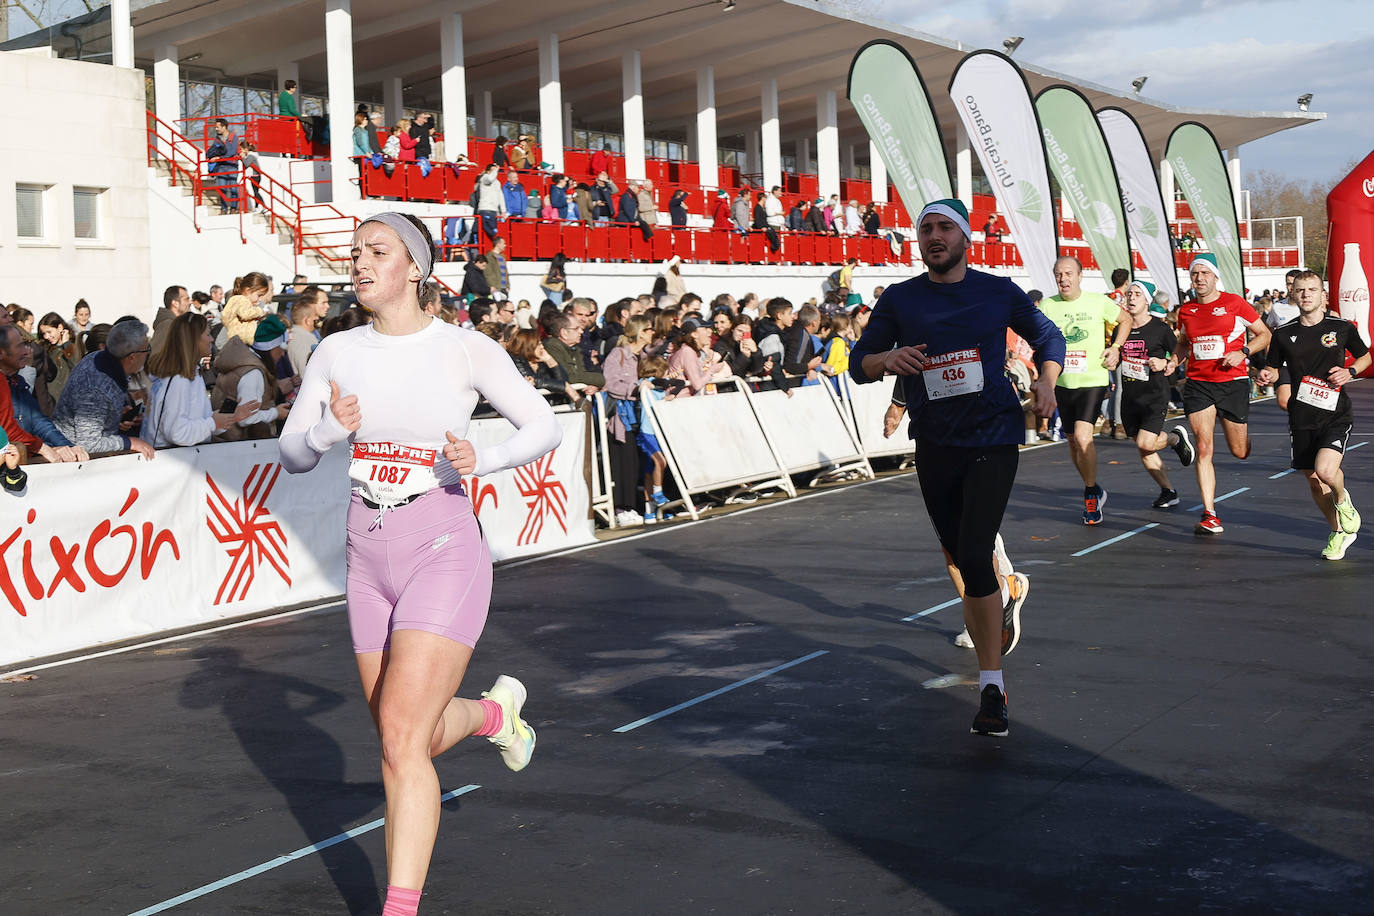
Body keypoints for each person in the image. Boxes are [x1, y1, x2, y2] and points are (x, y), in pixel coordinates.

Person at [278, 211, 559, 916]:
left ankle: (398, 910)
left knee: (403, 738)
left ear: (416, 267)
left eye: (377, 251)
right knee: (406, 737)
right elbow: (292, 453)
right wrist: (326, 429)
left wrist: (482, 458)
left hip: (441, 544)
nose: (360, 263)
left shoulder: (465, 349)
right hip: (365, 551)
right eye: (355, 252)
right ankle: (495, 715)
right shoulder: (336, 351)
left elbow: (544, 424)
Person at [849, 199, 1064, 738]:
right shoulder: (901, 299)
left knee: (973, 550)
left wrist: (1046, 381)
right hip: (936, 443)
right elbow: (859, 362)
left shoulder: (997, 291)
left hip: (993, 434)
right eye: (926, 229)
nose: (935, 236)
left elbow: (1048, 337)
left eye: (945, 227)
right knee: (962, 561)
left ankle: (991, 685)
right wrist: (885, 361)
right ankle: (1003, 598)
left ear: (967, 237)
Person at [1257, 269, 1369, 558]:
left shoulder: (1340, 328)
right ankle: (1337, 531)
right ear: (1293, 294)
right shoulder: (1283, 334)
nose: (1306, 295)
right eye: (1301, 290)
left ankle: (1343, 501)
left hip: (1335, 414)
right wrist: (1265, 375)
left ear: (1323, 295)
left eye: (1312, 290)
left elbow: (1366, 354)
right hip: (1302, 416)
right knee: (1314, 481)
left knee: (1326, 471)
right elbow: (1272, 366)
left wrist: (1350, 371)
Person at [1173, 253, 1271, 535]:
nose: (1200, 278)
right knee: (1204, 448)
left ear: (1215, 276)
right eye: (1195, 274)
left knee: (1239, 451)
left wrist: (1243, 352)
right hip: (1198, 383)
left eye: (1205, 273)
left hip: (1232, 384)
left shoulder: (1234, 303)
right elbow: (1183, 344)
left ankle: (1243, 434)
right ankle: (1210, 513)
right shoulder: (1187, 310)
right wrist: (1172, 361)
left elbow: (1264, 334)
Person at [1039, 256, 1131, 524]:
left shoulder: (1098, 301)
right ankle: (1094, 486)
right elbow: (1037, 337)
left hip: (1092, 379)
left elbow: (1125, 320)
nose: (1063, 279)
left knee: (1082, 436)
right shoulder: (1047, 305)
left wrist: (1116, 348)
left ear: (1080, 276)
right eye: (1058, 274)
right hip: (1063, 383)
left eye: (1068, 273)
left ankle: (1091, 493)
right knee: (1072, 440)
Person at [1117, 279, 1196, 507]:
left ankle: (1174, 438)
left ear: (1147, 299)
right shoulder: (1121, 329)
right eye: (1129, 294)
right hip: (1130, 395)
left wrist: (1164, 362)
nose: (1131, 298)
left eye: (1136, 294)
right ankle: (1168, 491)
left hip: (1154, 394)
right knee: (1143, 447)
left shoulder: (1160, 329)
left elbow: (1180, 353)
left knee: (1145, 442)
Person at [143, 312, 259, 447]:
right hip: (171, 462)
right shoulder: (178, 380)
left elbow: (195, 421)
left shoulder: (191, 374)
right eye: (208, 334)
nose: (211, 340)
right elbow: (177, 433)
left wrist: (230, 417)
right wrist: (212, 423)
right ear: (194, 339)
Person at [52, 319, 157, 459]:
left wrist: (123, 415)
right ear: (132, 357)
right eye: (146, 350)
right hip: (75, 462)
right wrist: (129, 442)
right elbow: (89, 444)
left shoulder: (102, 360)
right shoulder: (95, 388)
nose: (148, 354)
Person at [0, 325, 87, 463]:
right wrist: (42, 448)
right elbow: (7, 430)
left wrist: (68, 447)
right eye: (19, 347)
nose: (26, 352)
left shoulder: (17, 382)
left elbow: (38, 421)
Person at [601, 315, 654, 526]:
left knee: (640, 462)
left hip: (642, 416)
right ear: (640, 331)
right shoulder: (619, 354)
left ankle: (638, 504)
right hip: (622, 416)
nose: (653, 333)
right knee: (623, 462)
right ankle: (622, 508)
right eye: (650, 329)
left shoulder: (645, 356)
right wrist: (636, 389)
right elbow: (610, 382)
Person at [211, 315, 294, 440]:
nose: (283, 354)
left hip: (226, 441)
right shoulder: (253, 373)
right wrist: (276, 413)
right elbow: (246, 419)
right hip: (238, 446)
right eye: (281, 348)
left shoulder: (243, 363)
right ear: (271, 348)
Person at [667, 317, 730, 396]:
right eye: (705, 329)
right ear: (694, 334)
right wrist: (712, 370)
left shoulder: (687, 350)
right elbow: (697, 384)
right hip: (683, 402)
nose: (709, 332)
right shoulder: (687, 351)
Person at [543, 313, 604, 393]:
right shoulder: (552, 346)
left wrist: (593, 386)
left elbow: (582, 374)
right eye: (576, 328)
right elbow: (570, 377)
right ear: (564, 333)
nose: (581, 331)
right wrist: (600, 379)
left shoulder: (576, 349)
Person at [474, 164, 506, 242]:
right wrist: (496, 170)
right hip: (485, 208)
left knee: (493, 234)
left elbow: (500, 196)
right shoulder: (484, 178)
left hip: (494, 211)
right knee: (491, 232)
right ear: (488, 172)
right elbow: (490, 179)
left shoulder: (497, 182)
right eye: (493, 171)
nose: (495, 173)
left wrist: (503, 210)